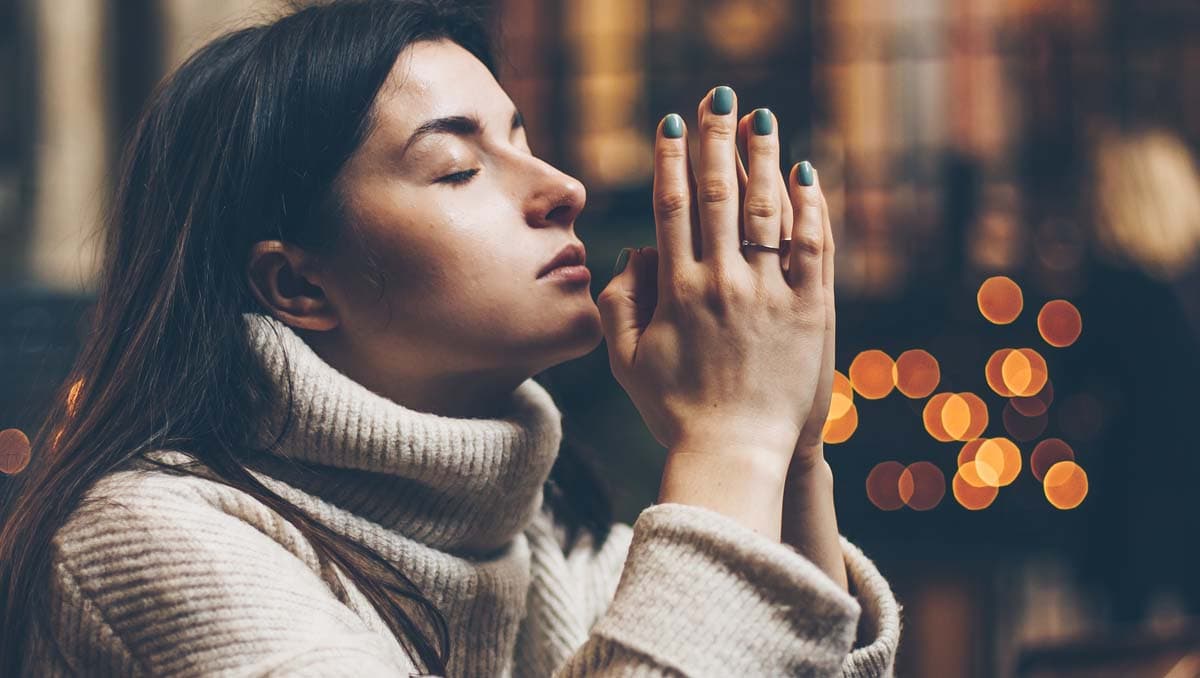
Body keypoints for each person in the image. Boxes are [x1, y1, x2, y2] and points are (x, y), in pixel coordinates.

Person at [0, 1, 901, 675]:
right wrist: (730, 439)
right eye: (460, 168)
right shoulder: (147, 538)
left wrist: (787, 446)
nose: (561, 188)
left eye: (524, 140)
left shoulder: (548, 530)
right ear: (298, 283)